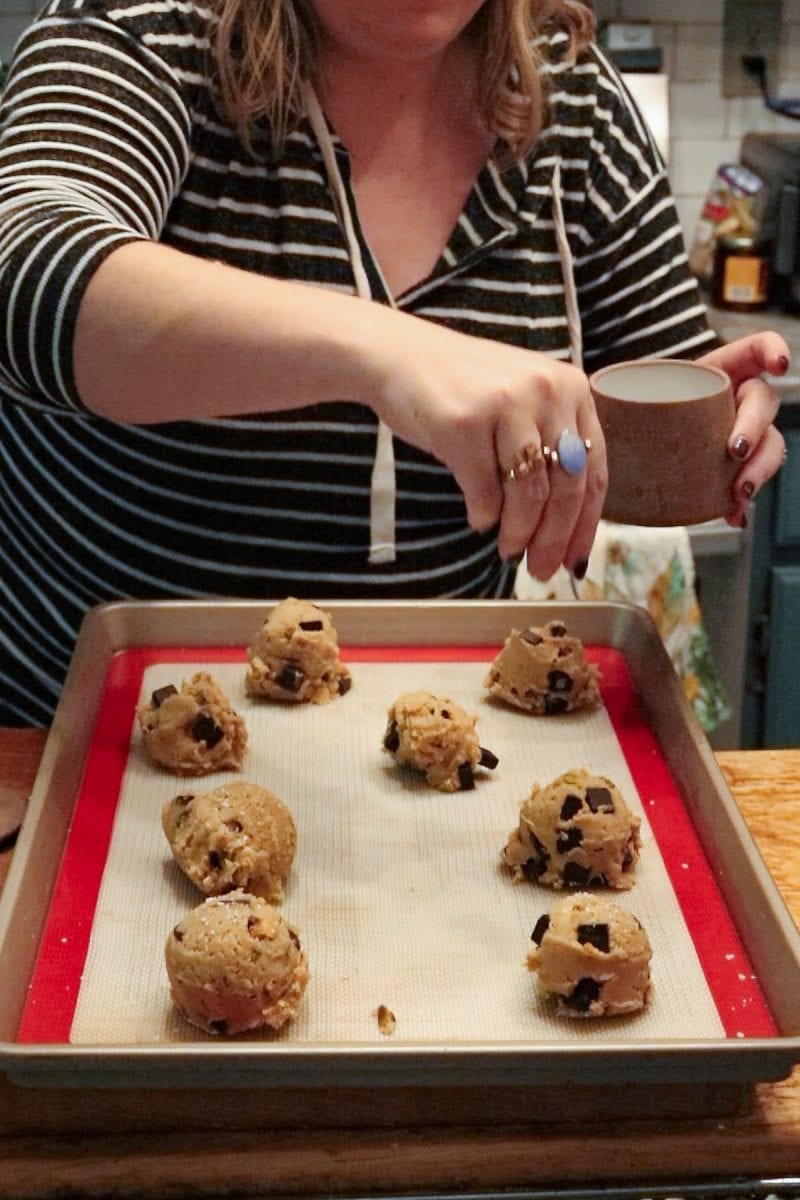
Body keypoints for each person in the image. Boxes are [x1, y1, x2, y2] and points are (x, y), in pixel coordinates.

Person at [0, 0, 788, 726]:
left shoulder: (571, 93)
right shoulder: (141, 32)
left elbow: (639, 403)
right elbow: (24, 262)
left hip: (433, 751)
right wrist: (384, 348)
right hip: (88, 748)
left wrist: (700, 432)